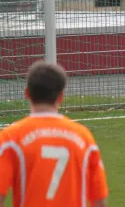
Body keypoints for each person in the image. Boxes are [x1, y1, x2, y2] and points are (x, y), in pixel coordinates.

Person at [0, 61, 109, 207]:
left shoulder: (11, 138)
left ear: (27, 93)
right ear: (61, 96)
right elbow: (99, 200)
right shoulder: (84, 138)